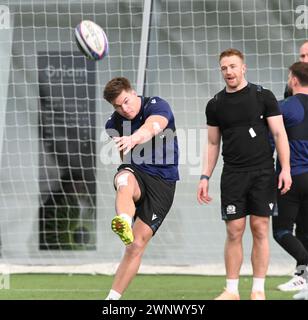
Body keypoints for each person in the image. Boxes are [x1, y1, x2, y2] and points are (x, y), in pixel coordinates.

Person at [197, 48, 292, 300]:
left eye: (232, 66)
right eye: (224, 68)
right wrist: (204, 176)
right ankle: (231, 290)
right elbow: (212, 144)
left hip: (263, 173)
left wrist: (286, 169)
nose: (228, 72)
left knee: (260, 228)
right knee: (234, 231)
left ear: (243, 68)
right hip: (233, 175)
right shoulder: (215, 104)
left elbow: (279, 134)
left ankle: (258, 290)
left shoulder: (264, 96)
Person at [103, 77, 179, 300]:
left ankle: (115, 297)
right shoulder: (113, 124)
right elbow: (122, 154)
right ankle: (124, 222)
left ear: (133, 92)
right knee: (124, 179)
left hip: (163, 181)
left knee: (136, 245)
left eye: (126, 101)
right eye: (118, 106)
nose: (124, 109)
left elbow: (153, 126)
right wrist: (125, 157)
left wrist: (134, 138)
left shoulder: (156, 105)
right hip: (137, 171)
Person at [272, 62, 308, 299]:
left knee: (281, 230)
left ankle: (305, 265)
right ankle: (303, 283)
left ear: (294, 80)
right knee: (305, 232)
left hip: (292, 177)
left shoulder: (286, 106)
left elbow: (269, 132)